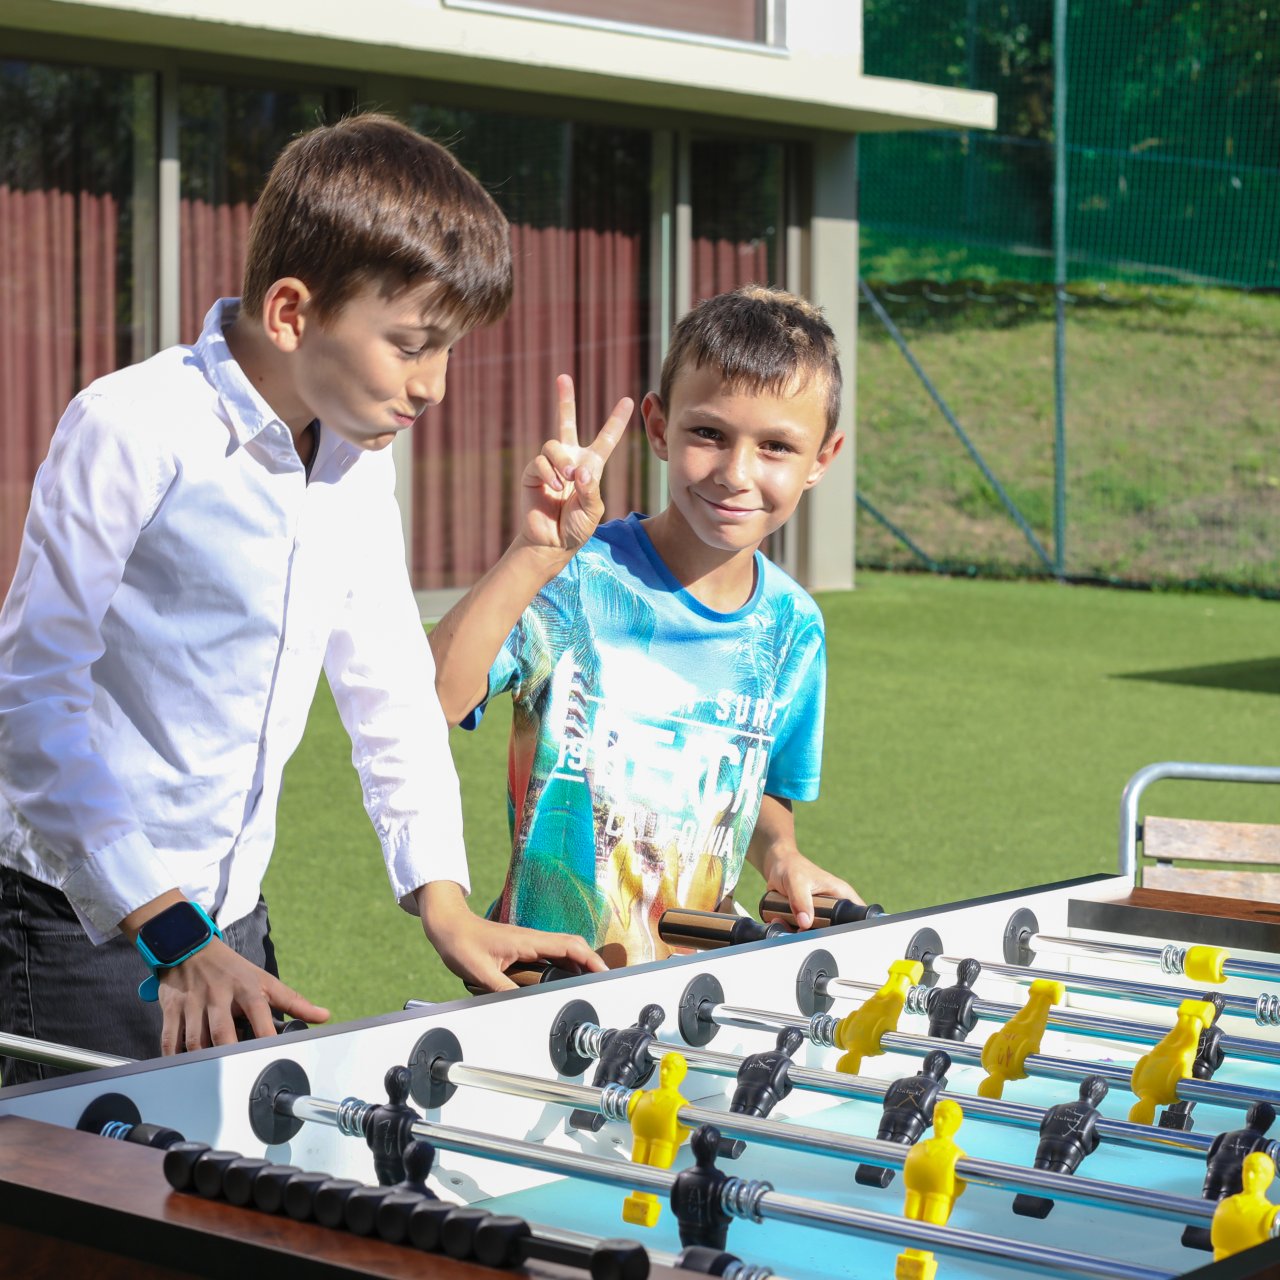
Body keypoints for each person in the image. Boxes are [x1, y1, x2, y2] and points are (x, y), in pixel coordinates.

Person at [0, 113, 607, 1085]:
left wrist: (442, 898)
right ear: (291, 313)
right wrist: (168, 926)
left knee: (224, 1198)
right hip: (84, 918)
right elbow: (31, 700)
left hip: (230, 912)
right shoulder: (128, 427)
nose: (434, 385)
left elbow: (391, 690)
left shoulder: (358, 454)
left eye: (448, 349)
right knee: (81, 1219)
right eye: (412, 344)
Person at [430, 285, 862, 968]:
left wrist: (783, 855)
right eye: (709, 434)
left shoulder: (793, 628)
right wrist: (532, 556)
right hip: (544, 977)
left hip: (698, 986)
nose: (736, 473)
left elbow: (760, 791)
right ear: (659, 428)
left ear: (822, 460)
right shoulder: (573, 579)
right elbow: (428, 702)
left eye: (777, 446)